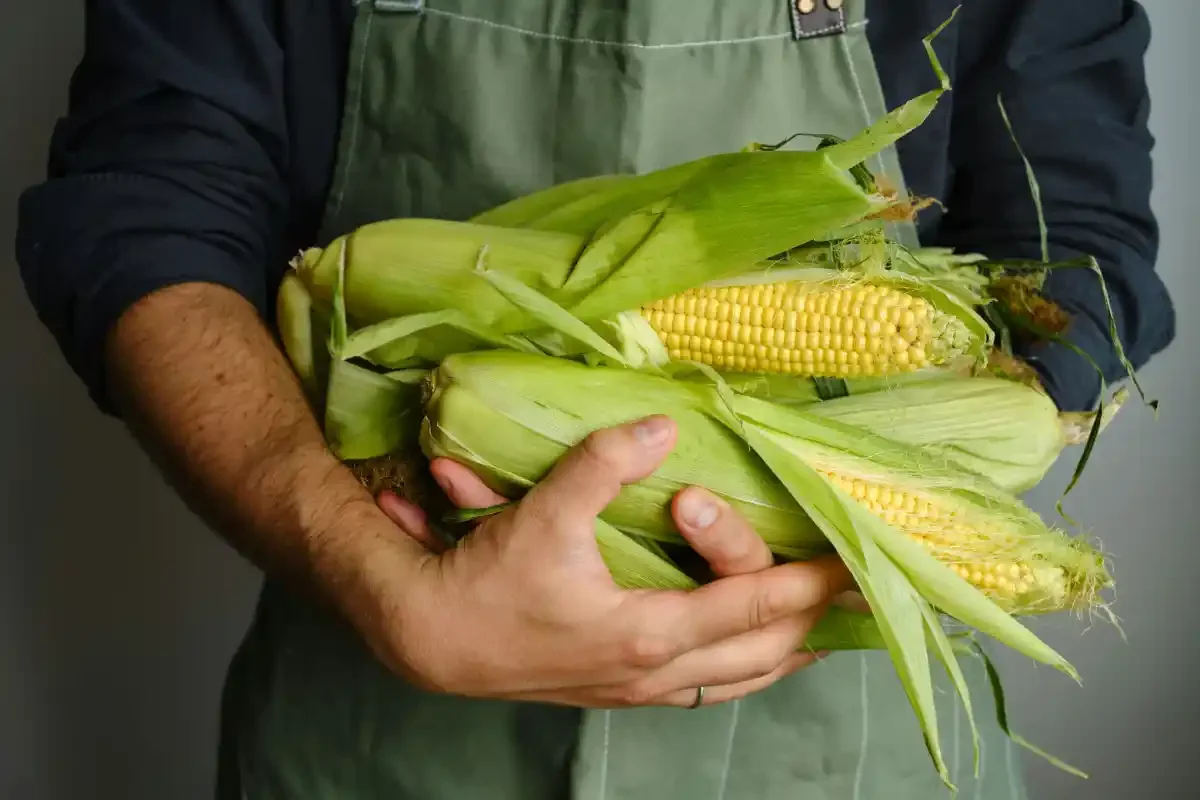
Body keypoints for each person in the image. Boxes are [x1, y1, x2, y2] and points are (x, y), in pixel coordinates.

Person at [15, 1, 1175, 797]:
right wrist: (370, 572)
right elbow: (147, 204)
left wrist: (836, 535)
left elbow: (1074, 251)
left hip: (835, 754)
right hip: (377, 714)